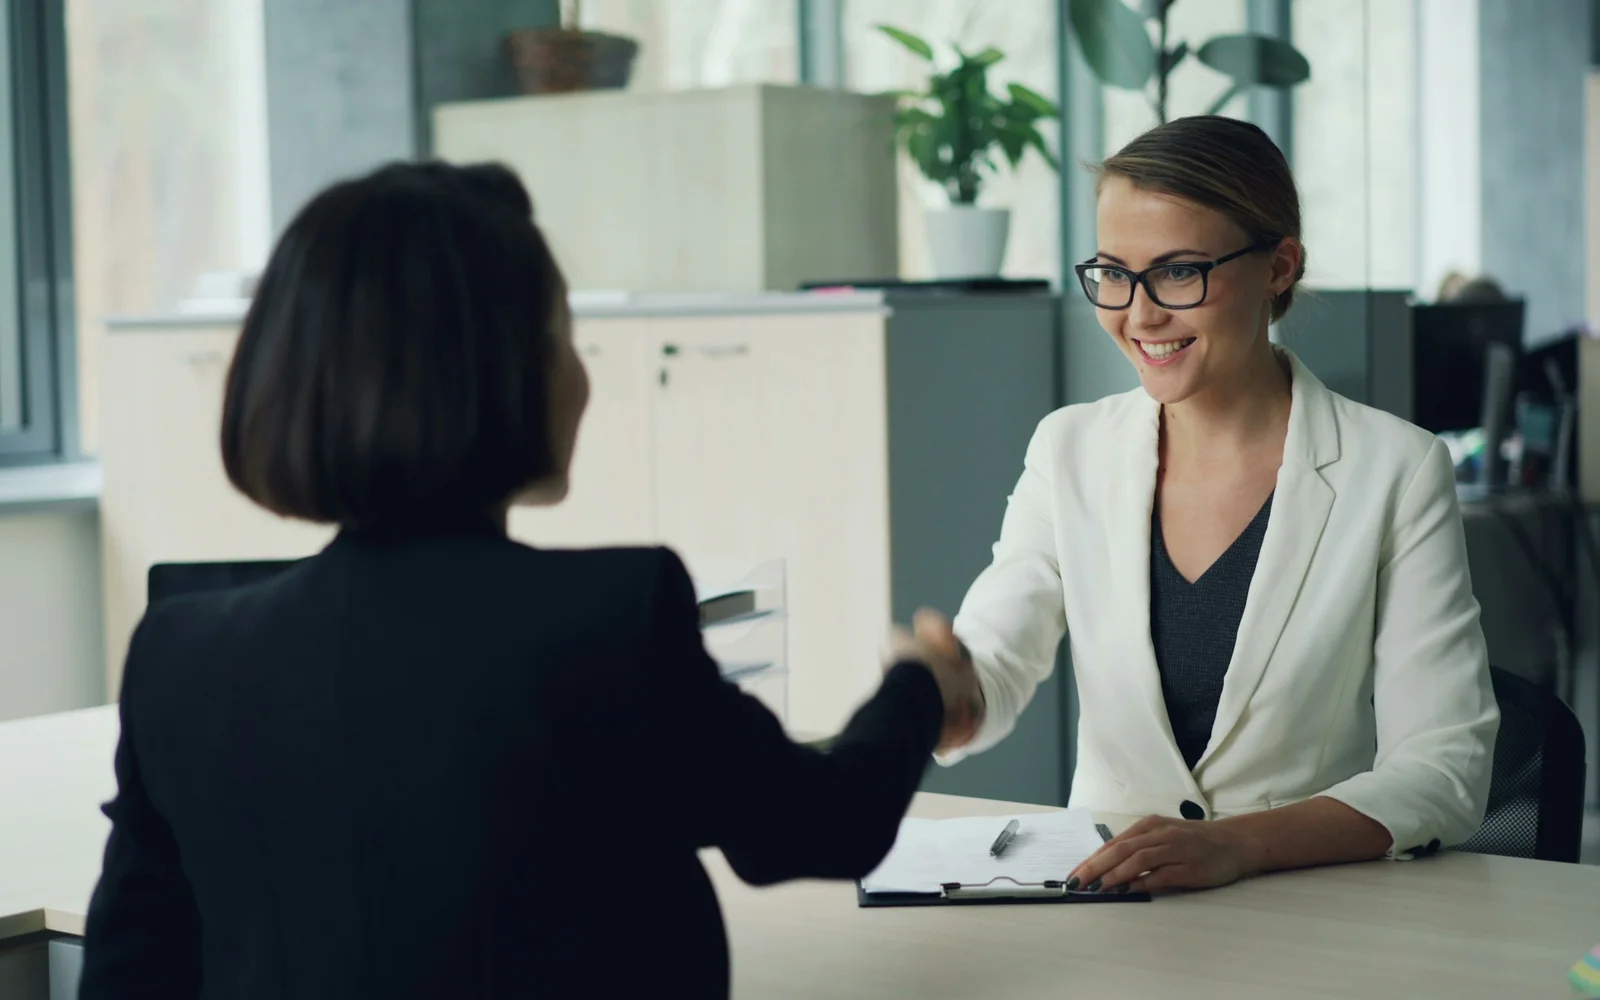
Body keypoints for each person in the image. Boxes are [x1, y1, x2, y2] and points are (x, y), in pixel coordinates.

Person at [78, 162, 978, 999]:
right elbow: (815, 828)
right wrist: (918, 686)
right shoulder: (608, 620)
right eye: (563, 337)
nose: (582, 376)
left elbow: (129, 970)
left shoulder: (179, 656)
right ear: (495, 373)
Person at [940, 116, 1499, 894]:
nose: (1137, 315)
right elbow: (997, 659)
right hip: (1109, 912)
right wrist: (949, 696)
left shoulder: (1394, 471)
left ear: (1279, 267)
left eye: (1178, 272)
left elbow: (1445, 769)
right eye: (1112, 272)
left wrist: (1238, 845)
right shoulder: (1068, 450)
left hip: (1309, 911)